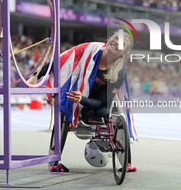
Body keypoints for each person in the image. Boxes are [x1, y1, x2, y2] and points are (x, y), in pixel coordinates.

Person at [36, 31, 137, 172]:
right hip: (77, 95)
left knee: (105, 112)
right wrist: (37, 75)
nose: (115, 42)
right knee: (65, 112)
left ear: (123, 53)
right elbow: (62, 60)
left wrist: (82, 99)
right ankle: (54, 162)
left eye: (121, 43)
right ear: (109, 39)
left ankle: (126, 163)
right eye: (115, 38)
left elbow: (101, 101)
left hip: (96, 102)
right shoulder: (89, 49)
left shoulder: (119, 72)